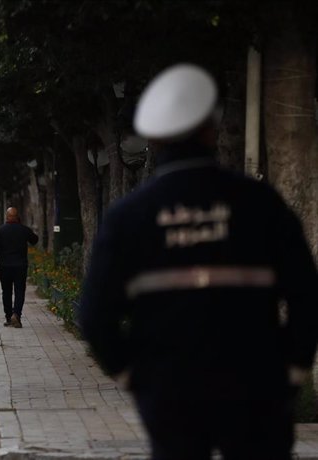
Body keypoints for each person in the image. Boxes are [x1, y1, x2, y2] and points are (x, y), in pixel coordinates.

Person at [78, 63, 318, 459]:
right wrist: (292, 370)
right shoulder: (260, 204)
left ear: (152, 140)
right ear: (212, 126)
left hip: (170, 393)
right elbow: (306, 295)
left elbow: (94, 315)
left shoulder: (129, 217)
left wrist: (134, 376)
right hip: (256, 389)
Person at [0, 207, 39, 328]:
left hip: (5, 266)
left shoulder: (1, 230)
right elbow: (35, 240)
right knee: (19, 291)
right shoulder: (23, 230)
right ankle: (17, 315)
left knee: (7, 292)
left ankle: (9, 317)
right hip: (20, 266)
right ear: (17, 217)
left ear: (7, 217)